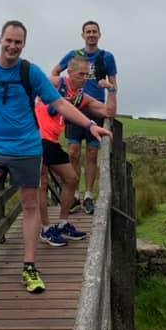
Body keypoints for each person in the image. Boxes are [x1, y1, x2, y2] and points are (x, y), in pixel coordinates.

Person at [0, 20, 112, 294]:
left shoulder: (30, 72)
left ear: (23, 45)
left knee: (29, 205)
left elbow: (60, 103)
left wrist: (88, 125)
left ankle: (29, 266)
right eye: (9, 41)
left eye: (18, 42)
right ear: (0, 40)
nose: (13, 46)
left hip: (27, 147)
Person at [37, 55, 117, 245]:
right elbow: (30, 88)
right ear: (70, 73)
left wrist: (111, 89)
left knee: (72, 179)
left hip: (52, 142)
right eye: (81, 74)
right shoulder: (55, 83)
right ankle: (46, 229)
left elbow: (109, 112)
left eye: (87, 75)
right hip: (35, 138)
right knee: (41, 182)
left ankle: (63, 224)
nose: (84, 78)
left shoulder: (80, 96)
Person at [52, 20, 118, 214]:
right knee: (73, 151)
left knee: (91, 153)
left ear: (99, 35)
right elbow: (56, 71)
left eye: (94, 32)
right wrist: (59, 94)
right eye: (88, 32)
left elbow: (114, 83)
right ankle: (74, 195)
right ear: (82, 35)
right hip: (74, 107)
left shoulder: (107, 57)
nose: (91, 35)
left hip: (94, 107)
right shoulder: (74, 55)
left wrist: (111, 95)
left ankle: (88, 194)